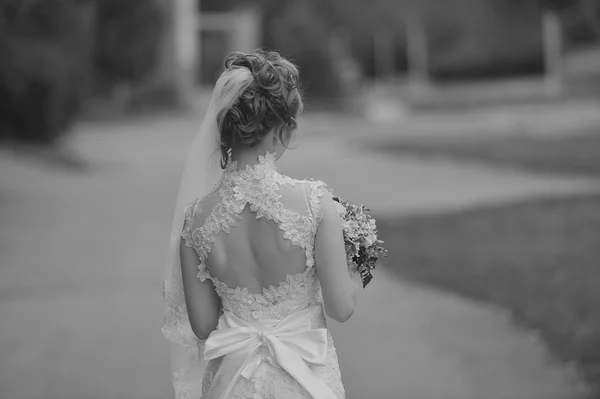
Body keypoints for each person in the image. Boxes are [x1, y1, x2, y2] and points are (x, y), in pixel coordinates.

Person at [162, 50, 357, 399]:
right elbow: (341, 308)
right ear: (283, 127)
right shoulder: (315, 204)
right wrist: (350, 265)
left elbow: (204, 326)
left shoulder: (196, 219)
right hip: (307, 381)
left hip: (234, 384)